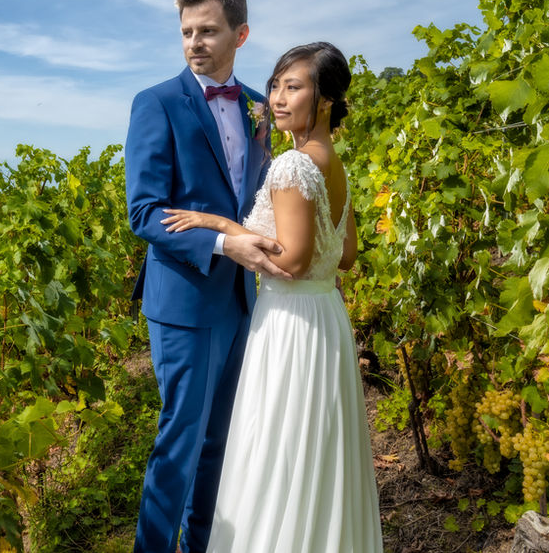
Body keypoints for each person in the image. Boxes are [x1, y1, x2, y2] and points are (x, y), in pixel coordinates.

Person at [161, 42, 384, 552]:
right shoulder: (336, 163)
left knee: (278, 448)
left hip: (289, 323)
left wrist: (218, 224)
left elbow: (291, 262)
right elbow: (346, 256)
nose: (278, 98)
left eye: (294, 87)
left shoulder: (292, 167)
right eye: (277, 85)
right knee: (318, 450)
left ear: (325, 99)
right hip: (326, 315)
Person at [124, 0, 286, 553]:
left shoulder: (258, 108)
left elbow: (260, 196)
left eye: (208, 30)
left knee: (223, 441)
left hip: (244, 300)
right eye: (187, 32)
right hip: (185, 302)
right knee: (180, 442)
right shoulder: (157, 103)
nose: (194, 42)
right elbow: (143, 212)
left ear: (240, 34)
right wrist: (224, 245)